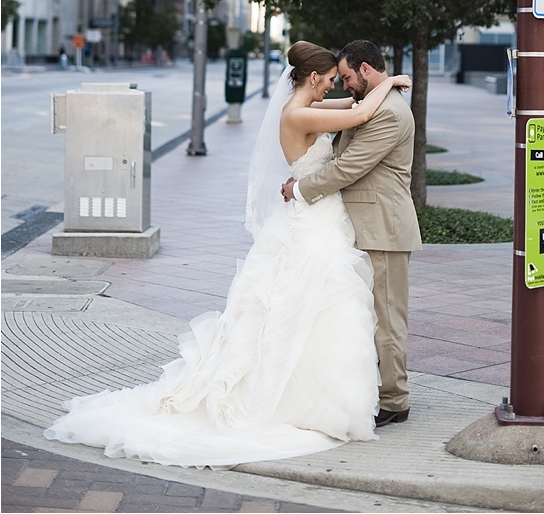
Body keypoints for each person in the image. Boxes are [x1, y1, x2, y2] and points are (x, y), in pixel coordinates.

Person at [44, 41, 411, 469]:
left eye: (342, 80)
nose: (336, 88)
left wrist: (380, 87)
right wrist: (394, 83)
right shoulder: (297, 112)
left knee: (320, 308)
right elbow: (359, 113)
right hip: (314, 217)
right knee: (307, 306)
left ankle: (345, 394)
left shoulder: (312, 107)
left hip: (323, 217)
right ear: (314, 78)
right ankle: (313, 398)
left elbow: (354, 107)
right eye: (331, 80)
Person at [282, 40, 422, 428]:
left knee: (387, 317)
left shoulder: (389, 113)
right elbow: (350, 119)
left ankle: (395, 400)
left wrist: (301, 189)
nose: (342, 85)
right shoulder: (375, 103)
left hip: (383, 228)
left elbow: (349, 168)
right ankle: (376, 389)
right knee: (366, 315)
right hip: (362, 225)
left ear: (364, 70)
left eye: (345, 77)